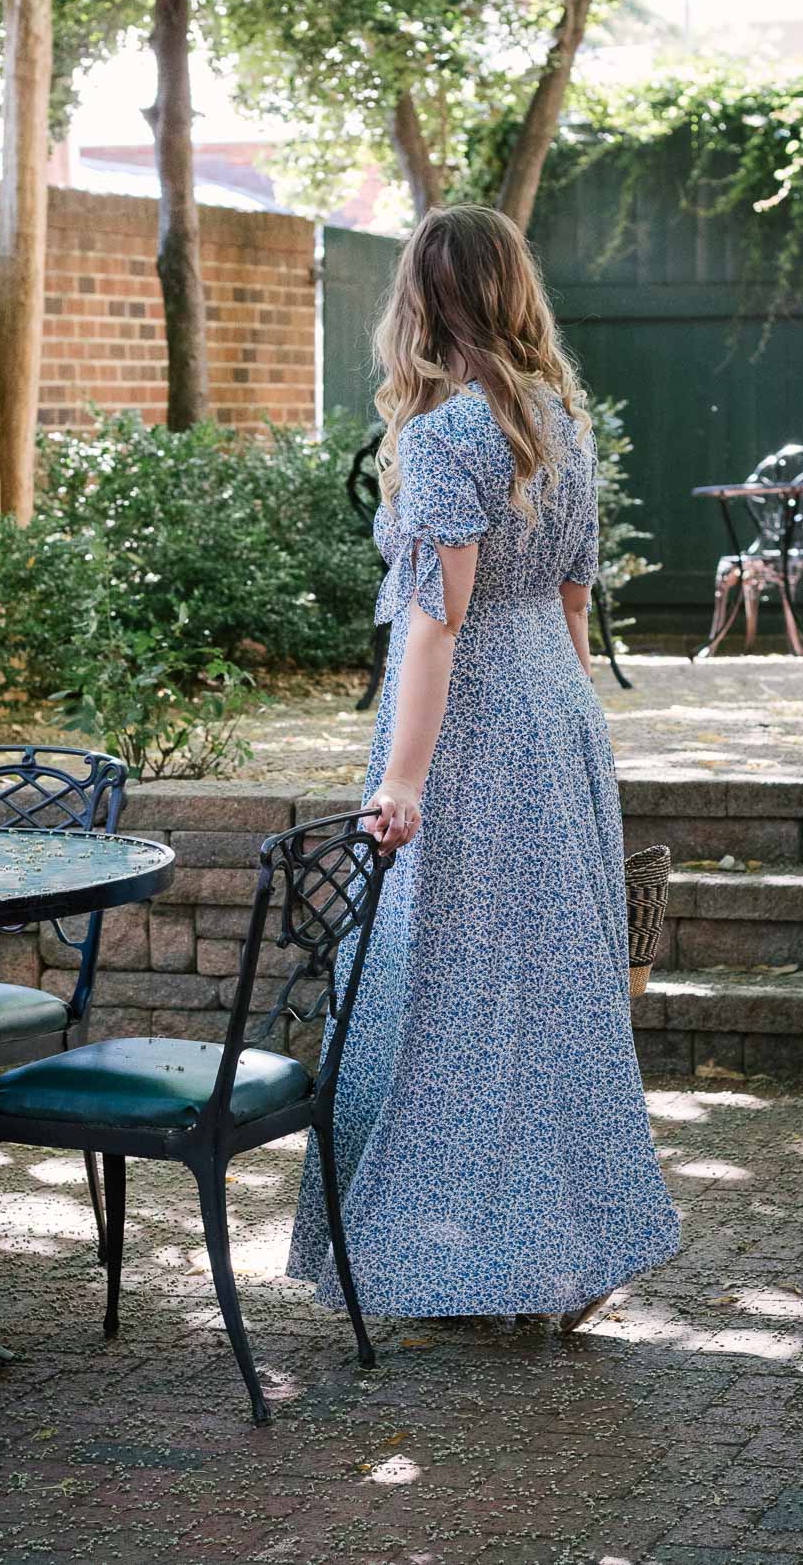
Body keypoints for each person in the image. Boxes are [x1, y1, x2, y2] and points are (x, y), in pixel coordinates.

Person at [287, 204, 679, 1322]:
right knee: (554, 992)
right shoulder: (561, 418)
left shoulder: (445, 434)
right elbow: (568, 601)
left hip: (465, 730)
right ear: (512, 292)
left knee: (443, 991)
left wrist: (402, 780)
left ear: (421, 297)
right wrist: (566, 736)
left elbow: (434, 624)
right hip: (556, 718)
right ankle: (559, 1251)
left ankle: (458, 1256)